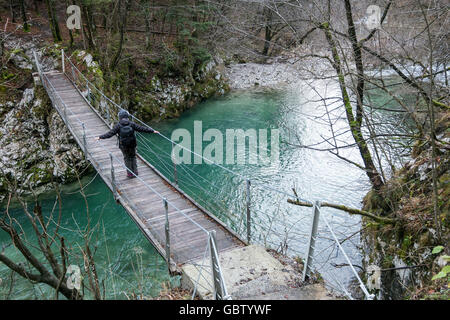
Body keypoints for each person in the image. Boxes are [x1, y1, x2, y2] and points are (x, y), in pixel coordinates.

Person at [95, 110, 159, 178]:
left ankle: (130, 173)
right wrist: (152, 131)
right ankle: (135, 172)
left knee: (127, 158)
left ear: (120, 117)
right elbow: (142, 128)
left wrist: (100, 137)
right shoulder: (132, 124)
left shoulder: (118, 126)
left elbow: (110, 134)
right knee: (133, 157)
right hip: (132, 144)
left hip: (123, 145)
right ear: (127, 117)